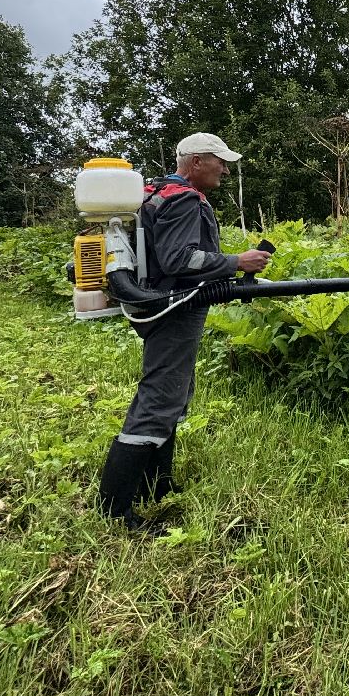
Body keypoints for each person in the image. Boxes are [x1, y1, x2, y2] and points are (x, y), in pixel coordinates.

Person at [96, 132, 271, 531]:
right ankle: (116, 508)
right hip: (175, 308)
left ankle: (157, 484)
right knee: (160, 398)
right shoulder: (185, 199)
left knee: (173, 393)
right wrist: (236, 261)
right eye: (219, 161)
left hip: (160, 304)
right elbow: (180, 259)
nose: (225, 169)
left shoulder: (156, 191)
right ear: (195, 162)